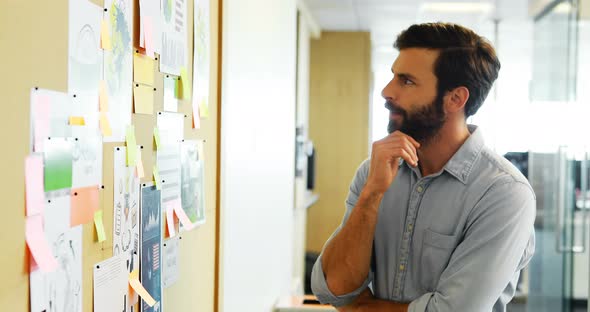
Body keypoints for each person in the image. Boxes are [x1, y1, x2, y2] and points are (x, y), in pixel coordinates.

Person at [311, 22, 536, 312]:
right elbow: (333, 289)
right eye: (393, 76)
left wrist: (362, 308)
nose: (386, 91)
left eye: (406, 81)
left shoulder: (503, 193)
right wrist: (371, 195)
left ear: (455, 98)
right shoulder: (373, 174)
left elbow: (453, 311)